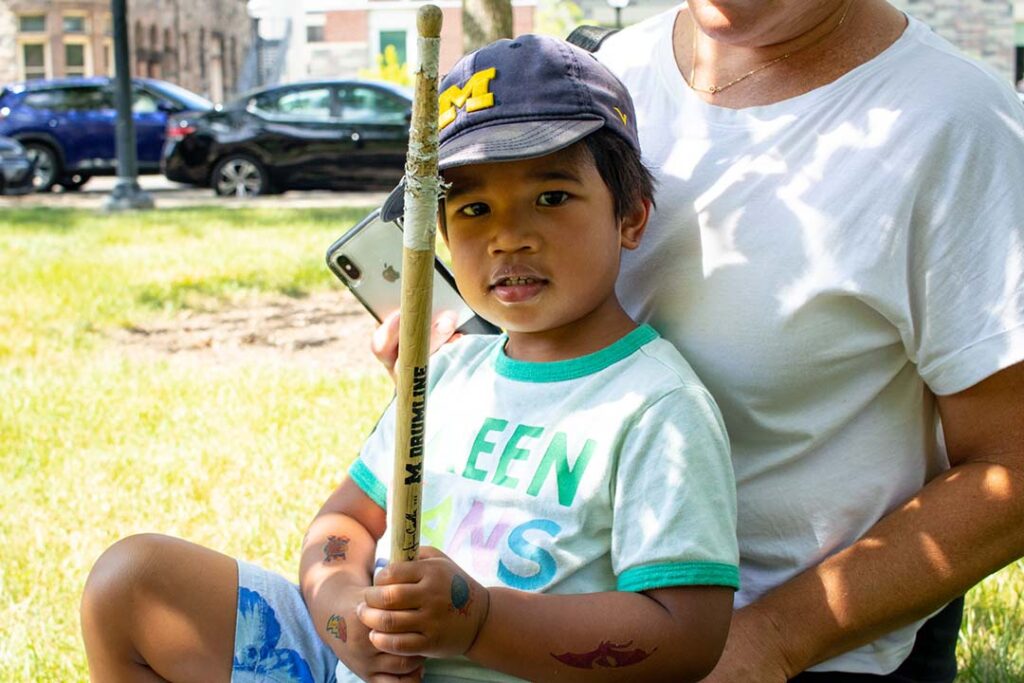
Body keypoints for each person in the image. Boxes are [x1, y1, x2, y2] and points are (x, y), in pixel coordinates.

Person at [369, 2, 1024, 681]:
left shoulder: (956, 123)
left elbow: (1014, 464)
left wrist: (776, 636)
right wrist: (466, 364)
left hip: (781, 654)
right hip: (516, 633)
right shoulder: (602, 74)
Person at [81, 35, 742, 682]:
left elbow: (687, 633)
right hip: (351, 662)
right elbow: (343, 521)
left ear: (630, 216)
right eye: (474, 207)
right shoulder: (446, 375)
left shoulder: (658, 406)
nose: (509, 235)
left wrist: (479, 624)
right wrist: (345, 614)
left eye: (551, 196)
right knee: (131, 581)